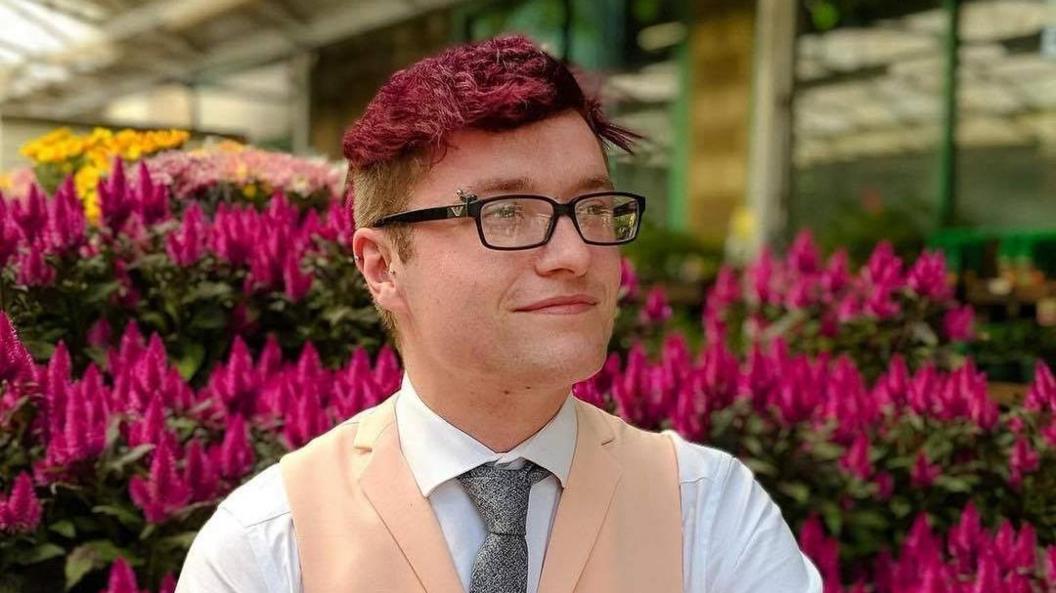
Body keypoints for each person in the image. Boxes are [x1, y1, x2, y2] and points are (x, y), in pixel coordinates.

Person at [175, 35, 823, 593]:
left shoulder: (707, 510)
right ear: (381, 266)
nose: (574, 254)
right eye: (506, 213)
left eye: (594, 209)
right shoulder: (268, 546)